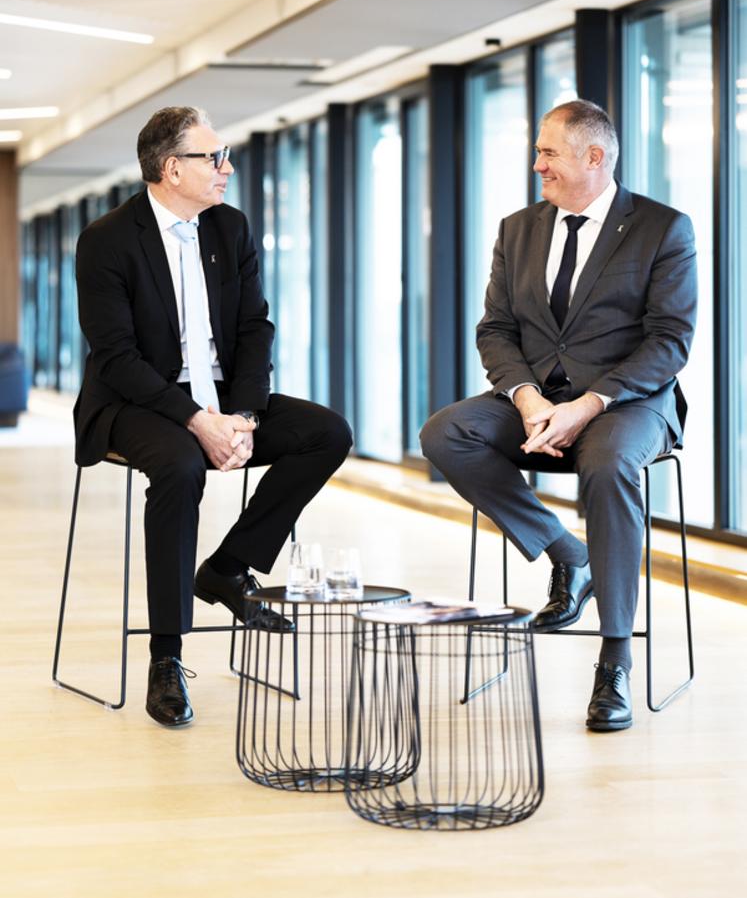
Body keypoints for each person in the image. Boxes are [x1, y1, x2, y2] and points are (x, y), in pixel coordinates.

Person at [420, 99, 696, 732]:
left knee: (609, 462)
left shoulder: (662, 228)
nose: (537, 164)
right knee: (446, 433)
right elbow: (495, 329)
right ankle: (570, 554)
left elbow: (670, 341)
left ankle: (615, 661)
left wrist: (588, 405)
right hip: (537, 400)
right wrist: (528, 399)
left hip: (627, 404)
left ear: (594, 156)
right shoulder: (518, 229)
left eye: (548, 153)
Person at [74, 106, 352, 728]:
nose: (228, 167)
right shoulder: (107, 239)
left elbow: (255, 326)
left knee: (326, 432)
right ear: (172, 169)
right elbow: (116, 357)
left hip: (224, 393)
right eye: (215, 157)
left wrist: (243, 415)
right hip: (135, 401)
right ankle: (166, 656)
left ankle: (227, 568)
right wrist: (199, 421)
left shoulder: (230, 227)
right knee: (179, 465)